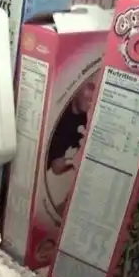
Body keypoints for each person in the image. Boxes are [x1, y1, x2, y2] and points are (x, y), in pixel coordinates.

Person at [43, 73, 98, 220]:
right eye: (91, 87)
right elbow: (57, 167)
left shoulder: (84, 120)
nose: (93, 96)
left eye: (98, 90)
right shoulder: (57, 108)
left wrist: (74, 161)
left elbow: (57, 167)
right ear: (77, 85)